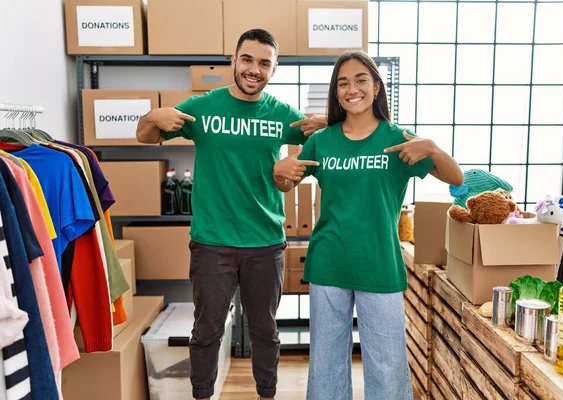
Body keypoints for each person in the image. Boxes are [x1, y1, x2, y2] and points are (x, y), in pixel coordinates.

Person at [135, 29, 326, 400]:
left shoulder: (284, 115)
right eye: (248, 59)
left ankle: (267, 394)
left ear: (274, 68)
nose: (255, 69)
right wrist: (152, 114)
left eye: (264, 63)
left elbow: (327, 146)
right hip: (212, 243)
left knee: (265, 331)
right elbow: (145, 136)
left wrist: (325, 126)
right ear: (233, 60)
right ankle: (202, 395)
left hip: (266, 243)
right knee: (206, 330)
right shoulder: (203, 107)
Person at [272, 50, 464, 400]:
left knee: (387, 364)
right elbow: (287, 183)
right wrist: (279, 174)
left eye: (361, 80)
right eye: (342, 83)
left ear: (376, 87)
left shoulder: (399, 140)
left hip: (380, 265)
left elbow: (456, 178)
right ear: (336, 93)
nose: (352, 89)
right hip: (329, 262)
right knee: (327, 365)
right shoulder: (321, 140)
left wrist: (433, 147)